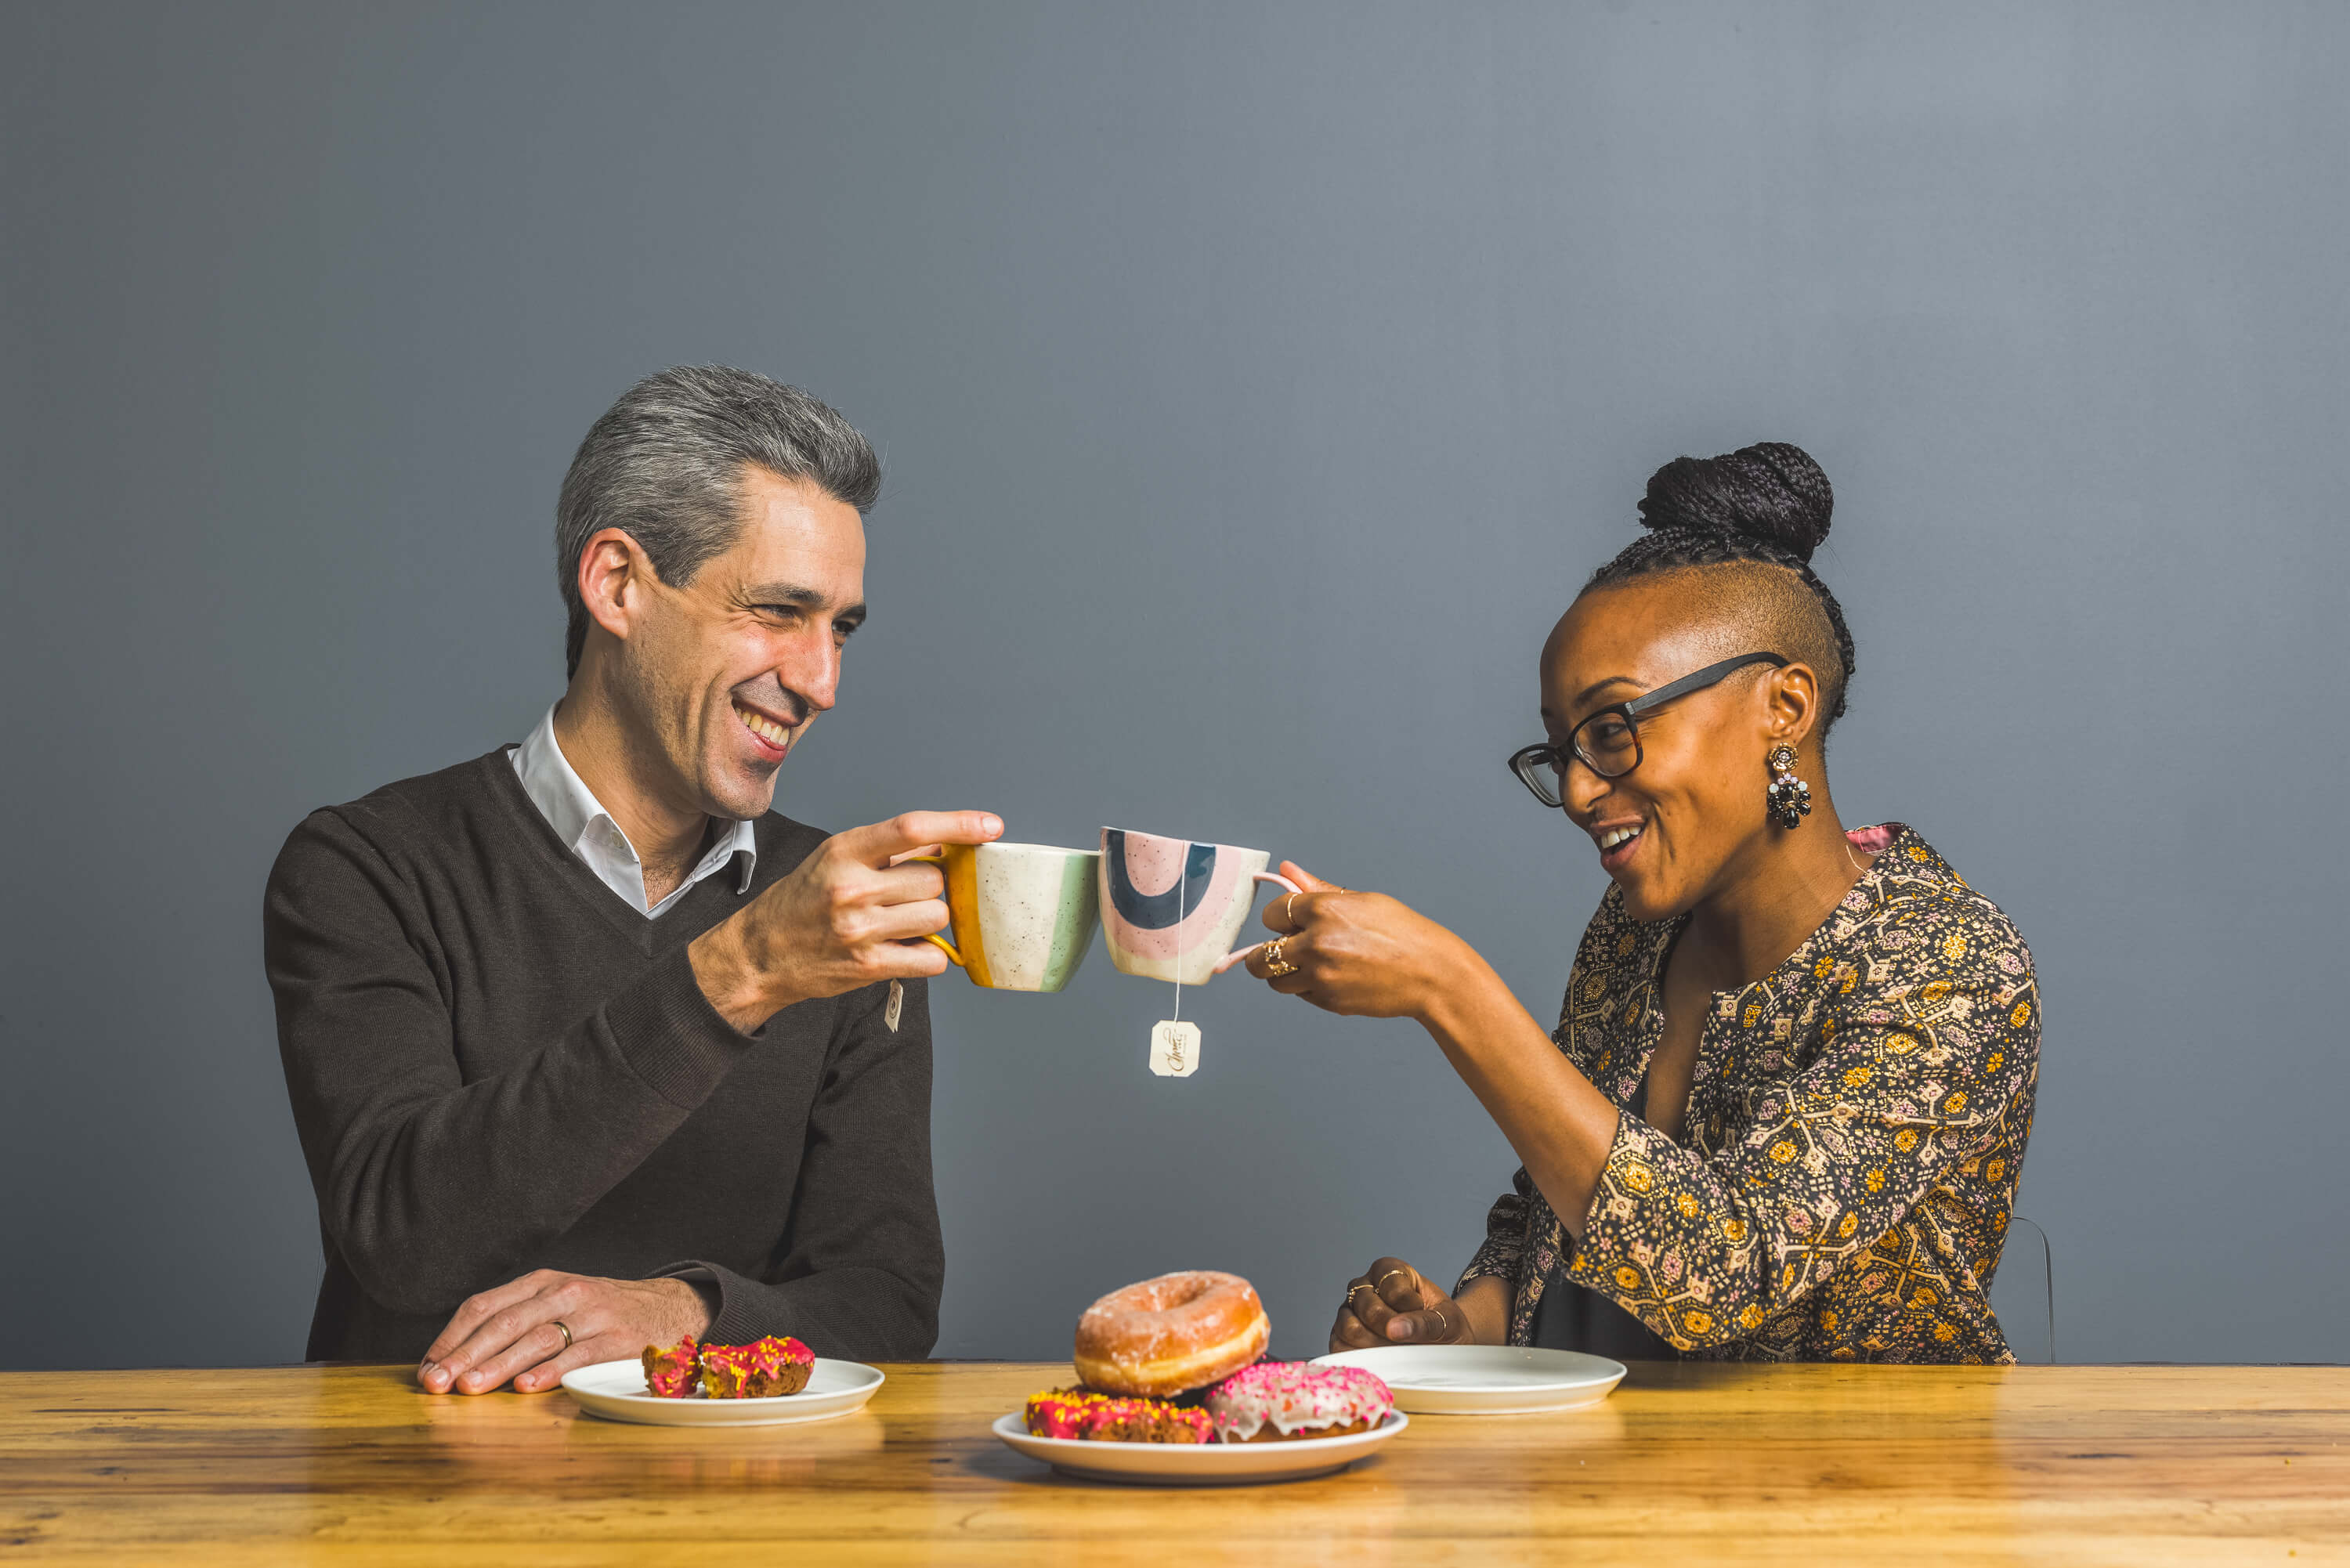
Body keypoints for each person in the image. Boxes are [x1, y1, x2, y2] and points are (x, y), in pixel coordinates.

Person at [265, 366, 1002, 1393]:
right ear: (616, 584)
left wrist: (689, 1312)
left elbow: (885, 1301)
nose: (821, 679)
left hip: (747, 1517)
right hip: (424, 1508)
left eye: (840, 627)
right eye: (781, 610)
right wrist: (740, 969)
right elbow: (404, 1237)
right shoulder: (369, 866)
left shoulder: (836, 907)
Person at [1246, 443, 2039, 1363]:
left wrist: (1448, 987)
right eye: (1562, 750)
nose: (1580, 791)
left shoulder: (1949, 963)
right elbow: (1557, 1214)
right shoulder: (1635, 935)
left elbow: (1723, 1272)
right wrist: (1469, 1322)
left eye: (1614, 730)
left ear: (1784, 706)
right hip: (1608, 1482)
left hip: (1858, 1494)